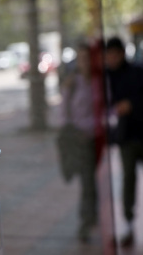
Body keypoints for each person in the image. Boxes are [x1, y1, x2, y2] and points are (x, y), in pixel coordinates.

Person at [58, 43, 98, 242]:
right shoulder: (73, 83)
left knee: (97, 182)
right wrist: (76, 133)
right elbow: (63, 116)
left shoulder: (100, 81)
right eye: (81, 58)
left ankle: (95, 217)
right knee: (87, 183)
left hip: (101, 141)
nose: (85, 62)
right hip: (82, 141)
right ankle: (86, 222)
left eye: (88, 57)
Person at [106, 37, 143, 247]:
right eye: (107, 56)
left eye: (114, 55)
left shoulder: (137, 72)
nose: (111, 59)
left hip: (140, 132)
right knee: (128, 180)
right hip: (126, 138)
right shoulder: (106, 77)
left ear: (121, 53)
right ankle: (128, 224)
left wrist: (132, 105)